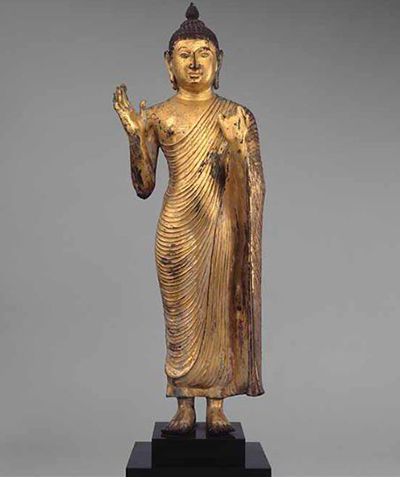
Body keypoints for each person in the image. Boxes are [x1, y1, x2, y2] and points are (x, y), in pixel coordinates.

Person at [113, 3, 266, 436]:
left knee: (220, 314)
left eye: (204, 53)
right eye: (185, 55)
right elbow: (144, 186)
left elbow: (255, 183)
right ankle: (183, 402)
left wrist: (235, 148)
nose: (195, 63)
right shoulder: (159, 116)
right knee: (180, 318)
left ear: (219, 61)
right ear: (169, 63)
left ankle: (216, 404)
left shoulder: (237, 116)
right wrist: (135, 137)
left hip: (221, 227)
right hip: (177, 229)